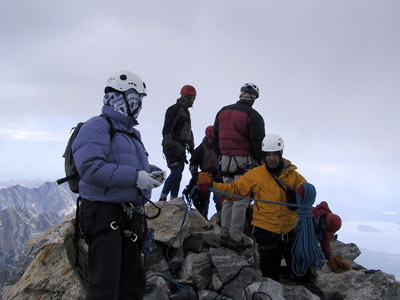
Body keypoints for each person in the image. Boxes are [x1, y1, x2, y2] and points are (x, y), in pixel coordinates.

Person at [72, 70, 165, 300]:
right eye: (136, 98)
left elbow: (126, 163)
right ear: (120, 97)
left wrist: (150, 172)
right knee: (105, 286)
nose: (139, 105)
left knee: (132, 284)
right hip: (104, 215)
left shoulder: (131, 133)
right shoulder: (97, 127)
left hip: (128, 215)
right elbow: (91, 168)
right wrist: (135, 177)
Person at [201, 134, 308, 281]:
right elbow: (235, 190)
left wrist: (305, 191)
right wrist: (212, 186)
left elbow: (306, 191)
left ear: (280, 154)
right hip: (266, 230)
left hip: (289, 229)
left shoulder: (293, 175)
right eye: (268, 154)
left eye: (274, 155)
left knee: (301, 272)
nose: (271, 158)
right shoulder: (256, 175)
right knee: (270, 276)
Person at [212, 82, 265, 249]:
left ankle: (224, 233)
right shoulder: (253, 116)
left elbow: (215, 136)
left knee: (228, 197)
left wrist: (219, 154)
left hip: (225, 159)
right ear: (254, 98)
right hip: (244, 161)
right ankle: (235, 236)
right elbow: (258, 143)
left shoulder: (223, 111)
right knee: (241, 200)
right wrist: (261, 162)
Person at [160, 85, 196, 201]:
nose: (193, 101)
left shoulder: (184, 111)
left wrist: (191, 147)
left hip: (180, 146)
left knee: (178, 173)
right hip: (173, 145)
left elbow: (188, 131)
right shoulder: (175, 109)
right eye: (193, 98)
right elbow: (168, 127)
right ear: (188, 97)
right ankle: (163, 198)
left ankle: (173, 199)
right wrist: (169, 144)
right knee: (176, 172)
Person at [186, 125, 222, 219]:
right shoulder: (200, 149)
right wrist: (195, 174)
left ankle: (221, 221)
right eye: (211, 139)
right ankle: (203, 221)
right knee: (203, 203)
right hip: (205, 177)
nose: (212, 141)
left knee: (219, 201)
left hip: (218, 176)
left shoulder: (221, 147)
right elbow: (193, 163)